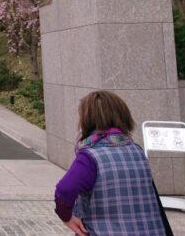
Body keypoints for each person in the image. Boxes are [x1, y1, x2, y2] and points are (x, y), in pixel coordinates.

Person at [54, 91, 169, 236]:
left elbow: (64, 191)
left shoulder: (90, 157)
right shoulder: (137, 151)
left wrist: (67, 217)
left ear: (87, 119)